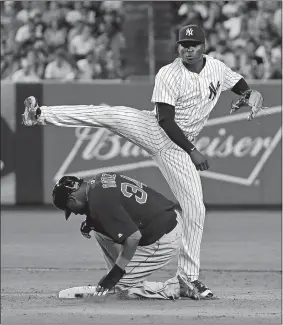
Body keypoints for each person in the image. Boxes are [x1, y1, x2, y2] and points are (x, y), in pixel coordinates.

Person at [22, 24, 264, 299]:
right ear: (178, 47)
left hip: (175, 149)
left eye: (194, 44)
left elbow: (239, 84)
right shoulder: (169, 74)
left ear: (204, 45)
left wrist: (251, 94)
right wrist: (193, 150)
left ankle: (188, 278)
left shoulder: (217, 68)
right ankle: (40, 114)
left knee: (196, 207)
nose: (188, 48)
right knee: (107, 115)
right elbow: (164, 120)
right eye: (184, 44)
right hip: (158, 131)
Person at [52, 172, 199, 300]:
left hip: (162, 238)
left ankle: (176, 287)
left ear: (72, 200)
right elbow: (116, 205)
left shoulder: (100, 204)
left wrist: (116, 274)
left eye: (70, 209)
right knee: (100, 229)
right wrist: (92, 221)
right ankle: (126, 276)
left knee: (116, 292)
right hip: (165, 218)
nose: (75, 213)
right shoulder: (98, 180)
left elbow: (133, 237)